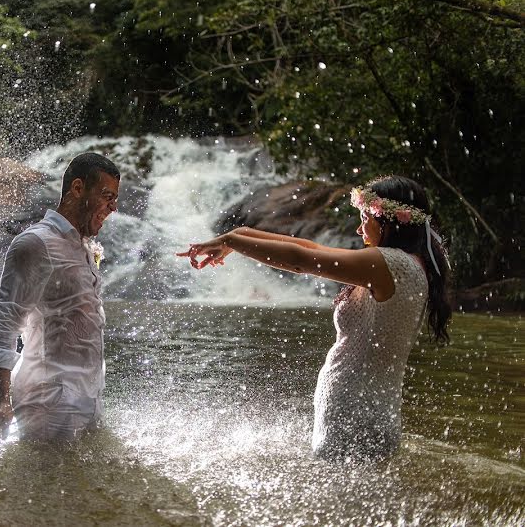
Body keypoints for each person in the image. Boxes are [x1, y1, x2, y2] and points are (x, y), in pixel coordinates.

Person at [177, 176, 451, 461]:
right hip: (369, 413)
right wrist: (240, 234)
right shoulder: (410, 264)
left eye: (365, 217)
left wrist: (232, 240)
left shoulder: (389, 263)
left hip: (355, 417)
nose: (359, 228)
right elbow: (312, 248)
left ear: (390, 221)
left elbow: (302, 260)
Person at [0, 152, 120, 441]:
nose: (113, 207)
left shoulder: (83, 246)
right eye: (107, 196)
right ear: (78, 189)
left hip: (87, 397)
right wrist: (1, 402)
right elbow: (5, 323)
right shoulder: (35, 243)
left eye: (114, 199)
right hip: (48, 402)